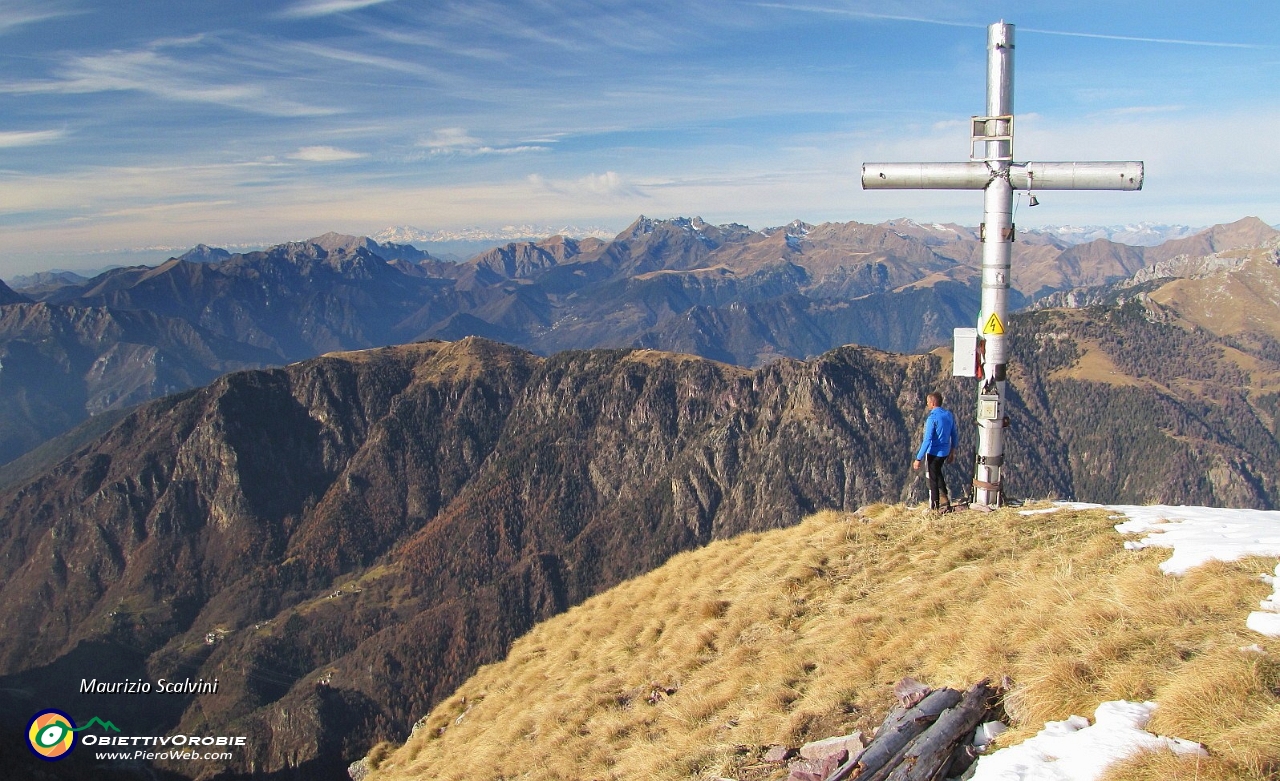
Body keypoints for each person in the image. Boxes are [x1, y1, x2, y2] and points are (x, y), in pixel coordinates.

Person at [913, 391, 958, 512]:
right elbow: (954, 434)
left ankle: (934, 507)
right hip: (945, 452)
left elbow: (927, 440)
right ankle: (945, 501)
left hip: (933, 453)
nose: (927, 404)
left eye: (928, 402)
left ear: (932, 403)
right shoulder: (948, 415)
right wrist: (953, 451)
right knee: (938, 474)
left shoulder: (932, 418)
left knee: (933, 480)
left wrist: (918, 458)